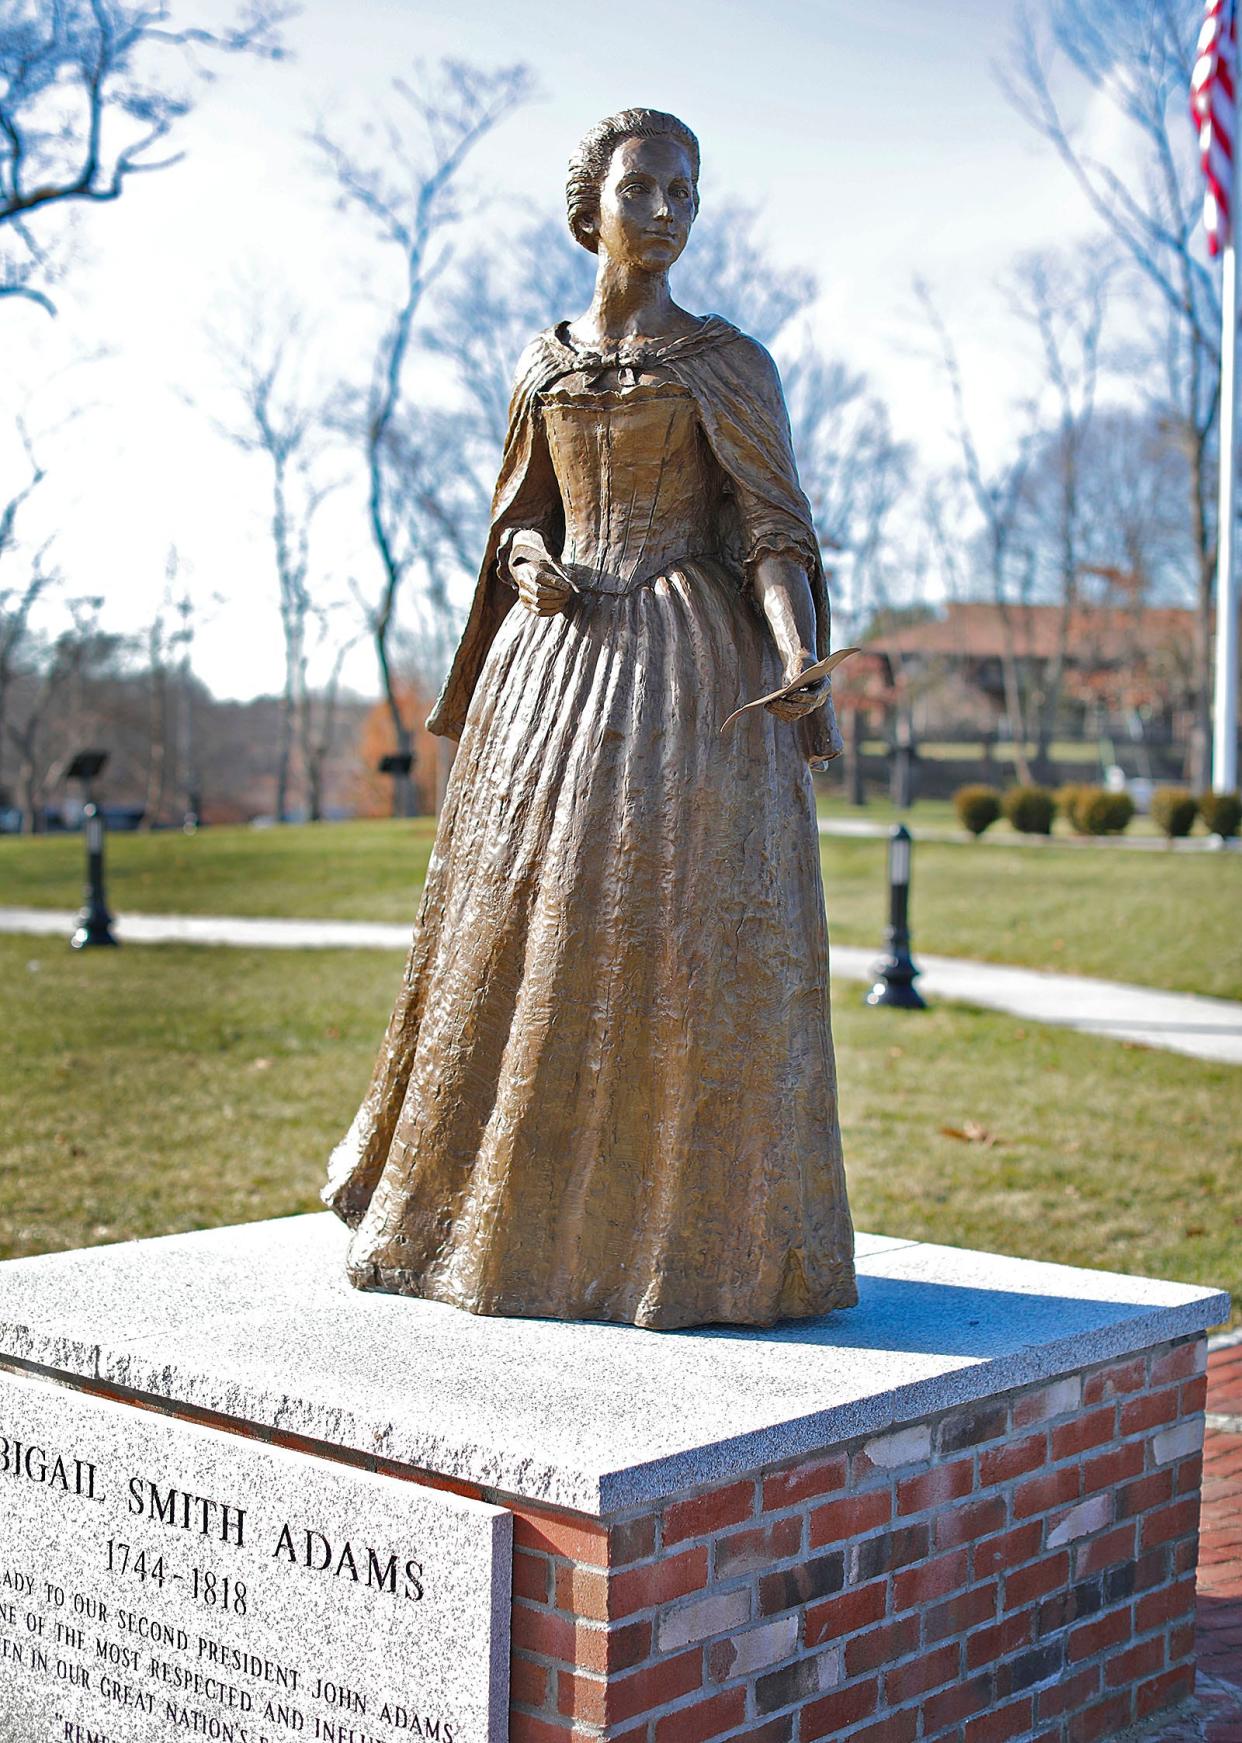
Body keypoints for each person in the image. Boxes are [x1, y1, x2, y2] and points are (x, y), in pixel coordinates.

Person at [324, 108, 858, 1330]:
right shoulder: (543, 363)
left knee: (669, 936)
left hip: (684, 668)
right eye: (643, 189)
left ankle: (681, 1240)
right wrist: (523, 560)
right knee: (517, 923)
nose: (666, 211)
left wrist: (794, 650)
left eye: (685, 190)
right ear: (590, 207)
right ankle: (487, 1224)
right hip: (550, 669)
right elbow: (523, 513)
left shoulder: (729, 364)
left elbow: (773, 531)